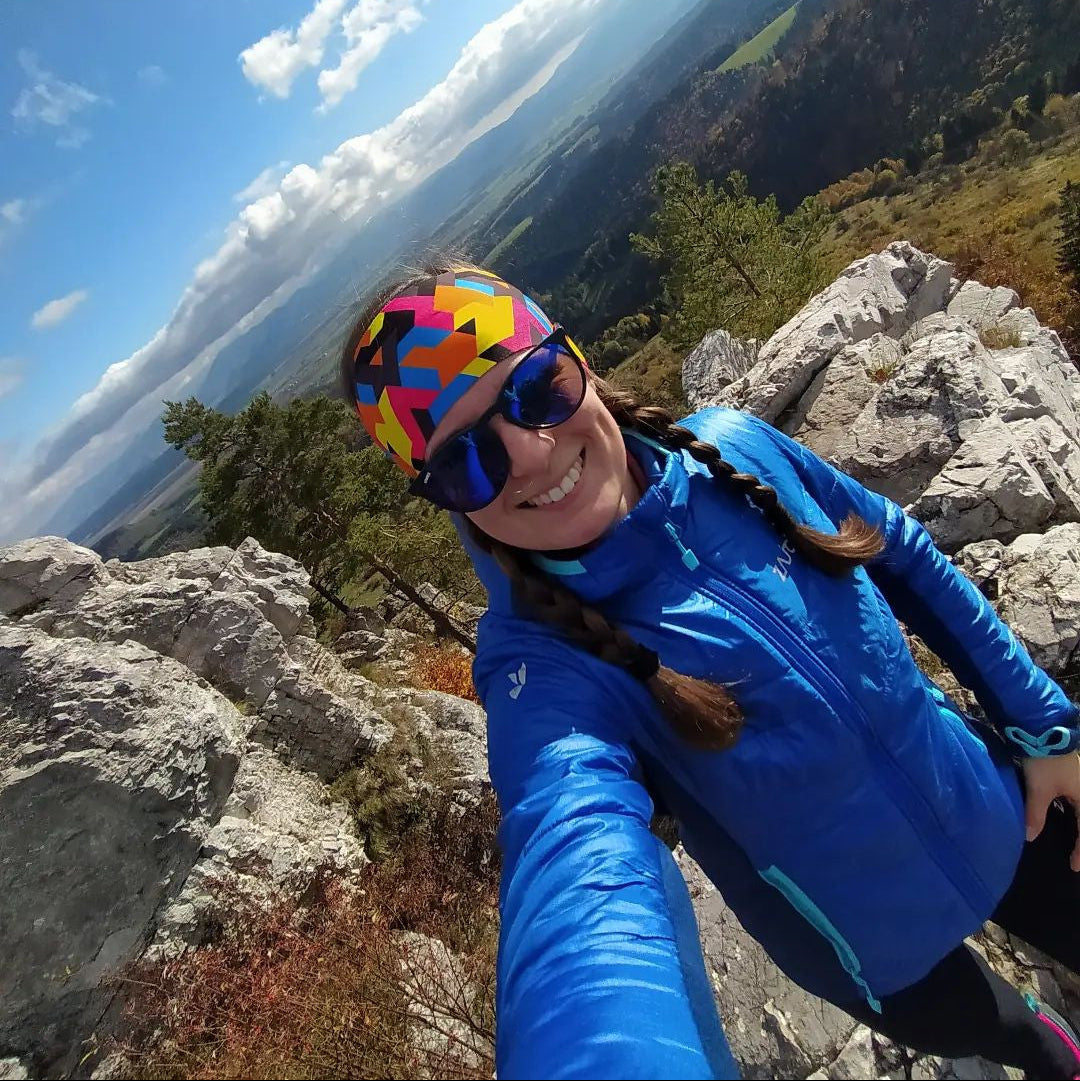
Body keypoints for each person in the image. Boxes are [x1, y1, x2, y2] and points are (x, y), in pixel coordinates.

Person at [341, 258, 1080, 1080]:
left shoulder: (737, 449)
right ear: (447, 499)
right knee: (1020, 1037)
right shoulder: (543, 667)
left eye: (538, 387)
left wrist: (1046, 724)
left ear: (578, 361)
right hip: (874, 952)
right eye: (465, 462)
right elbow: (570, 846)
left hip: (994, 800)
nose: (533, 451)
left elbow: (896, 549)